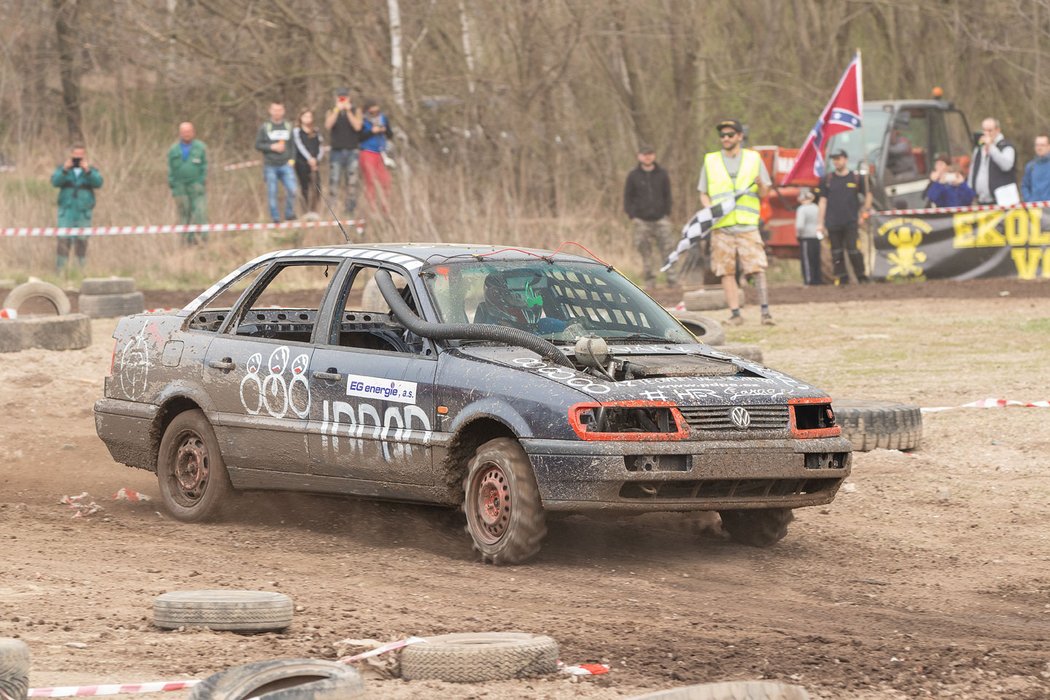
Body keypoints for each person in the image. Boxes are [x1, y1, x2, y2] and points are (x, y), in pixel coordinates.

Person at [697, 118, 774, 326]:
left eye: (730, 135)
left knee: (757, 267)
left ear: (740, 136)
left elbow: (765, 192)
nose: (726, 138)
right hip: (721, 226)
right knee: (726, 271)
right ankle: (735, 314)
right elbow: (703, 193)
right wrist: (709, 209)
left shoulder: (753, 159)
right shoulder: (710, 160)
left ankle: (765, 313)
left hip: (747, 224)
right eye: (722, 135)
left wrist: (761, 185)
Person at [815, 149, 872, 285]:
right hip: (833, 221)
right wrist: (820, 223)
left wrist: (864, 213)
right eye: (834, 159)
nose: (836, 161)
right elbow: (822, 201)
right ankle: (842, 277)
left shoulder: (856, 178)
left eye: (838, 158)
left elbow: (868, 194)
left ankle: (861, 276)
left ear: (845, 159)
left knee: (853, 249)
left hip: (851, 221)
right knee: (836, 252)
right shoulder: (827, 180)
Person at [623, 144, 674, 288]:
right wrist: (632, 215)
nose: (647, 157)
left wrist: (666, 212)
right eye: (645, 154)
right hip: (641, 220)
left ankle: (672, 279)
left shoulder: (662, 174)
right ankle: (650, 281)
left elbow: (668, 195)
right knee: (645, 251)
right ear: (639, 156)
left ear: (654, 155)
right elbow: (628, 197)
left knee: (668, 248)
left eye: (650, 154)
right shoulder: (633, 175)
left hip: (661, 218)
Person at [50, 144, 103, 272]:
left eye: (81, 155)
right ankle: (60, 271)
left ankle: (80, 271)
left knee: (82, 242)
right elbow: (55, 182)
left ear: (84, 156)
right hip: (66, 212)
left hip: (83, 213)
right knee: (63, 241)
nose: (78, 158)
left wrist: (88, 171)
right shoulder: (63, 169)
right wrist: (64, 169)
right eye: (76, 155)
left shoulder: (91, 170)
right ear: (71, 155)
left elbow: (99, 183)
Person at [254, 101, 298, 223]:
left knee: (293, 190)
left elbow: (293, 145)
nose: (277, 112)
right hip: (270, 165)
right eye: (275, 110)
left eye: (279, 110)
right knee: (272, 192)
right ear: (270, 111)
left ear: (283, 111)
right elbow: (257, 145)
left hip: (286, 164)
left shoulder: (288, 126)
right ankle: (275, 218)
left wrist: (292, 160)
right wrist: (271, 147)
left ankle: (289, 214)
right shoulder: (265, 127)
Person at [166, 121, 208, 244]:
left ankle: (202, 240)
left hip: (196, 186)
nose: (186, 134)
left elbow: (205, 167)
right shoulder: (173, 150)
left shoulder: (201, 147)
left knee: (200, 212)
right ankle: (185, 241)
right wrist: (173, 185)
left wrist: (201, 182)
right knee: (184, 214)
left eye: (189, 131)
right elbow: (170, 170)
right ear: (180, 133)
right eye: (184, 132)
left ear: (193, 132)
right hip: (180, 187)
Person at [324, 87, 363, 215]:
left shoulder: (356, 110)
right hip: (336, 151)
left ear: (349, 98)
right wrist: (337, 110)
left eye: (344, 97)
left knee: (352, 182)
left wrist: (348, 111)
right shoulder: (331, 111)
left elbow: (358, 126)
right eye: (340, 97)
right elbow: (328, 125)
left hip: (352, 151)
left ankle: (350, 209)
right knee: (334, 181)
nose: (342, 99)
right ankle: (333, 210)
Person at [968, 117, 1017, 205]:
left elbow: (1006, 166)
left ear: (997, 130)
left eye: (990, 130)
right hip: (981, 201)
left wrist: (991, 147)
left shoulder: (1007, 147)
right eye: (984, 130)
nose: (986, 133)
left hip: (1002, 201)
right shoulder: (978, 149)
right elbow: (972, 171)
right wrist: (970, 191)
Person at [359, 99, 393, 213]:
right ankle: (372, 208)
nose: (375, 113)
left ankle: (386, 207)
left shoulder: (383, 118)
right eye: (372, 112)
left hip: (381, 153)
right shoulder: (363, 121)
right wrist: (371, 132)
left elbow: (390, 134)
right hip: (367, 152)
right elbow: (359, 138)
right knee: (371, 181)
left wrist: (384, 130)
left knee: (385, 180)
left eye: (377, 111)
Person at [293, 108, 324, 218]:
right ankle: (305, 211)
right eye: (305, 116)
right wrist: (309, 158)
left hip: (315, 164)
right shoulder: (297, 131)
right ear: (301, 118)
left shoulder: (316, 131)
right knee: (304, 187)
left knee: (317, 186)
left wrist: (317, 159)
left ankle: (314, 210)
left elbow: (321, 146)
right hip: (302, 163)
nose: (308, 119)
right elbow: (300, 146)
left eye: (310, 117)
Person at [794, 188, 822, 286]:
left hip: (806, 237)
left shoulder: (802, 209)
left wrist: (798, 234)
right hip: (816, 236)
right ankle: (817, 280)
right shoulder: (816, 207)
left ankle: (809, 280)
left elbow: (800, 225)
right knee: (816, 259)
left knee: (807, 260)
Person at [1022, 134, 1050, 203]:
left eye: (1042, 145)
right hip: (1034, 209)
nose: (1039, 148)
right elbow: (1024, 186)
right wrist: (1030, 200)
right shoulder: (1030, 166)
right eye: (1037, 145)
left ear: (1049, 146)